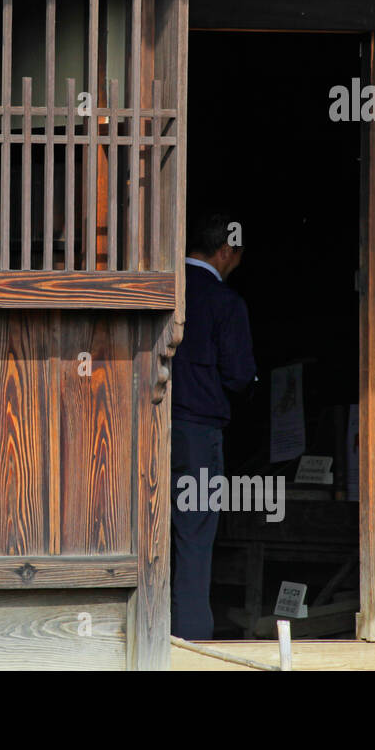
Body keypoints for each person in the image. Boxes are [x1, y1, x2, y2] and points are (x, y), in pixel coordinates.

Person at [170, 211, 256, 640]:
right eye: (238, 255)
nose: (238, 264)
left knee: (143, 528)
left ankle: (141, 628)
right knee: (194, 535)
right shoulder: (225, 303)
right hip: (199, 435)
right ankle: (190, 637)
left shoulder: (163, 290)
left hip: (146, 430)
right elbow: (240, 376)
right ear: (225, 251)